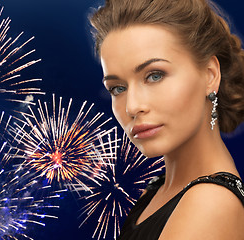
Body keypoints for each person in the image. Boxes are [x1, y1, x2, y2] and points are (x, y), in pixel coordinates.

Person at [89, 0, 244, 239]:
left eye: (154, 75)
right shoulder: (155, 191)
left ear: (210, 75)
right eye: (118, 89)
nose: (132, 106)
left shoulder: (210, 203)